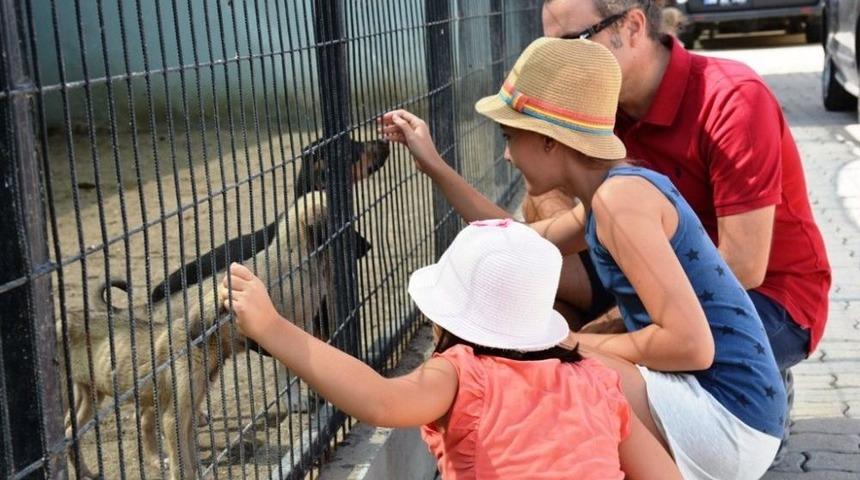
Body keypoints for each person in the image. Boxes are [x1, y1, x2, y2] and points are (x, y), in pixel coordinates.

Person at [381, 37, 785, 479]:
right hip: (727, 410)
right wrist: (436, 167)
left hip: (727, 418)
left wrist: (569, 342)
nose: (506, 155)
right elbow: (515, 242)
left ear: (550, 141)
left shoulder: (620, 203)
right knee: (546, 359)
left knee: (550, 369)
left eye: (510, 137)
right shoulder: (609, 194)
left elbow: (691, 346)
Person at [538, 1, 831, 428]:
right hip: (653, 272)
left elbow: (744, 267)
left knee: (638, 360)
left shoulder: (731, 98)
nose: (559, 66)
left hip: (768, 297)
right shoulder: (600, 104)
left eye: (572, 43)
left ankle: (754, 404)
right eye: (550, 50)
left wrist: (613, 326)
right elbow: (550, 194)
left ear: (632, 26)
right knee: (536, 287)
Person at [218, 220, 680, 480]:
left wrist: (273, 328)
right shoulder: (596, 381)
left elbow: (380, 400)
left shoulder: (466, 374)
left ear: (443, 319)